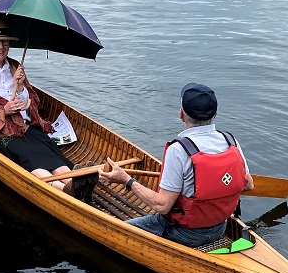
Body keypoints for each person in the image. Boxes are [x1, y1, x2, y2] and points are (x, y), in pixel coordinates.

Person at [99, 83, 254, 247]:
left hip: (184, 234)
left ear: (181, 114)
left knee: (108, 232)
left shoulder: (179, 150)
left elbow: (163, 206)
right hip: (220, 228)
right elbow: (248, 185)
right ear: (215, 114)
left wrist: (126, 180)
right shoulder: (231, 141)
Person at [0, 17, 96, 199]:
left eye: (5, 41)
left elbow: (34, 103)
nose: (1, 46)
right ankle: (65, 191)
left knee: (48, 151)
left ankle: (75, 180)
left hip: (24, 127)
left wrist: (22, 92)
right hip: (0, 134)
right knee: (28, 158)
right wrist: (4, 110)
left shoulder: (15, 67)